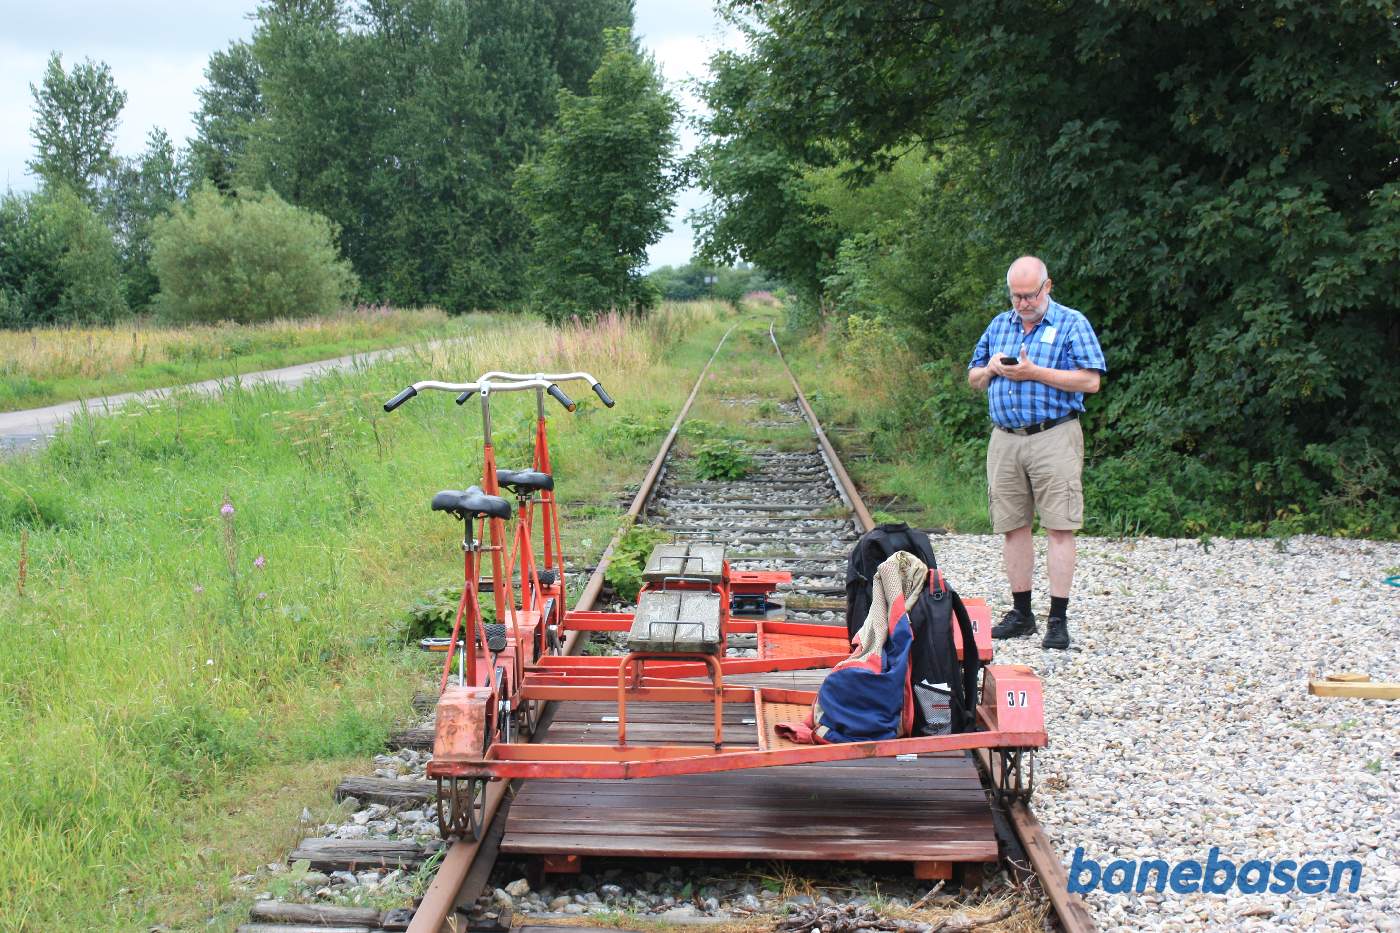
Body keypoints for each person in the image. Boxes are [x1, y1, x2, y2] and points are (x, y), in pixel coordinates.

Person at [966, 256, 1106, 650]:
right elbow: (973, 377)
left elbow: (1090, 380)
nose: (1022, 303)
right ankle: (1021, 613)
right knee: (1013, 526)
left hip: (1053, 435)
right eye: (1016, 295)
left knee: (1060, 526)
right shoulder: (999, 325)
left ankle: (1057, 618)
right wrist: (991, 368)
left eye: (1029, 295)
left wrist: (1034, 373)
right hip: (1005, 438)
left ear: (1048, 287)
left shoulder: (1071, 323)